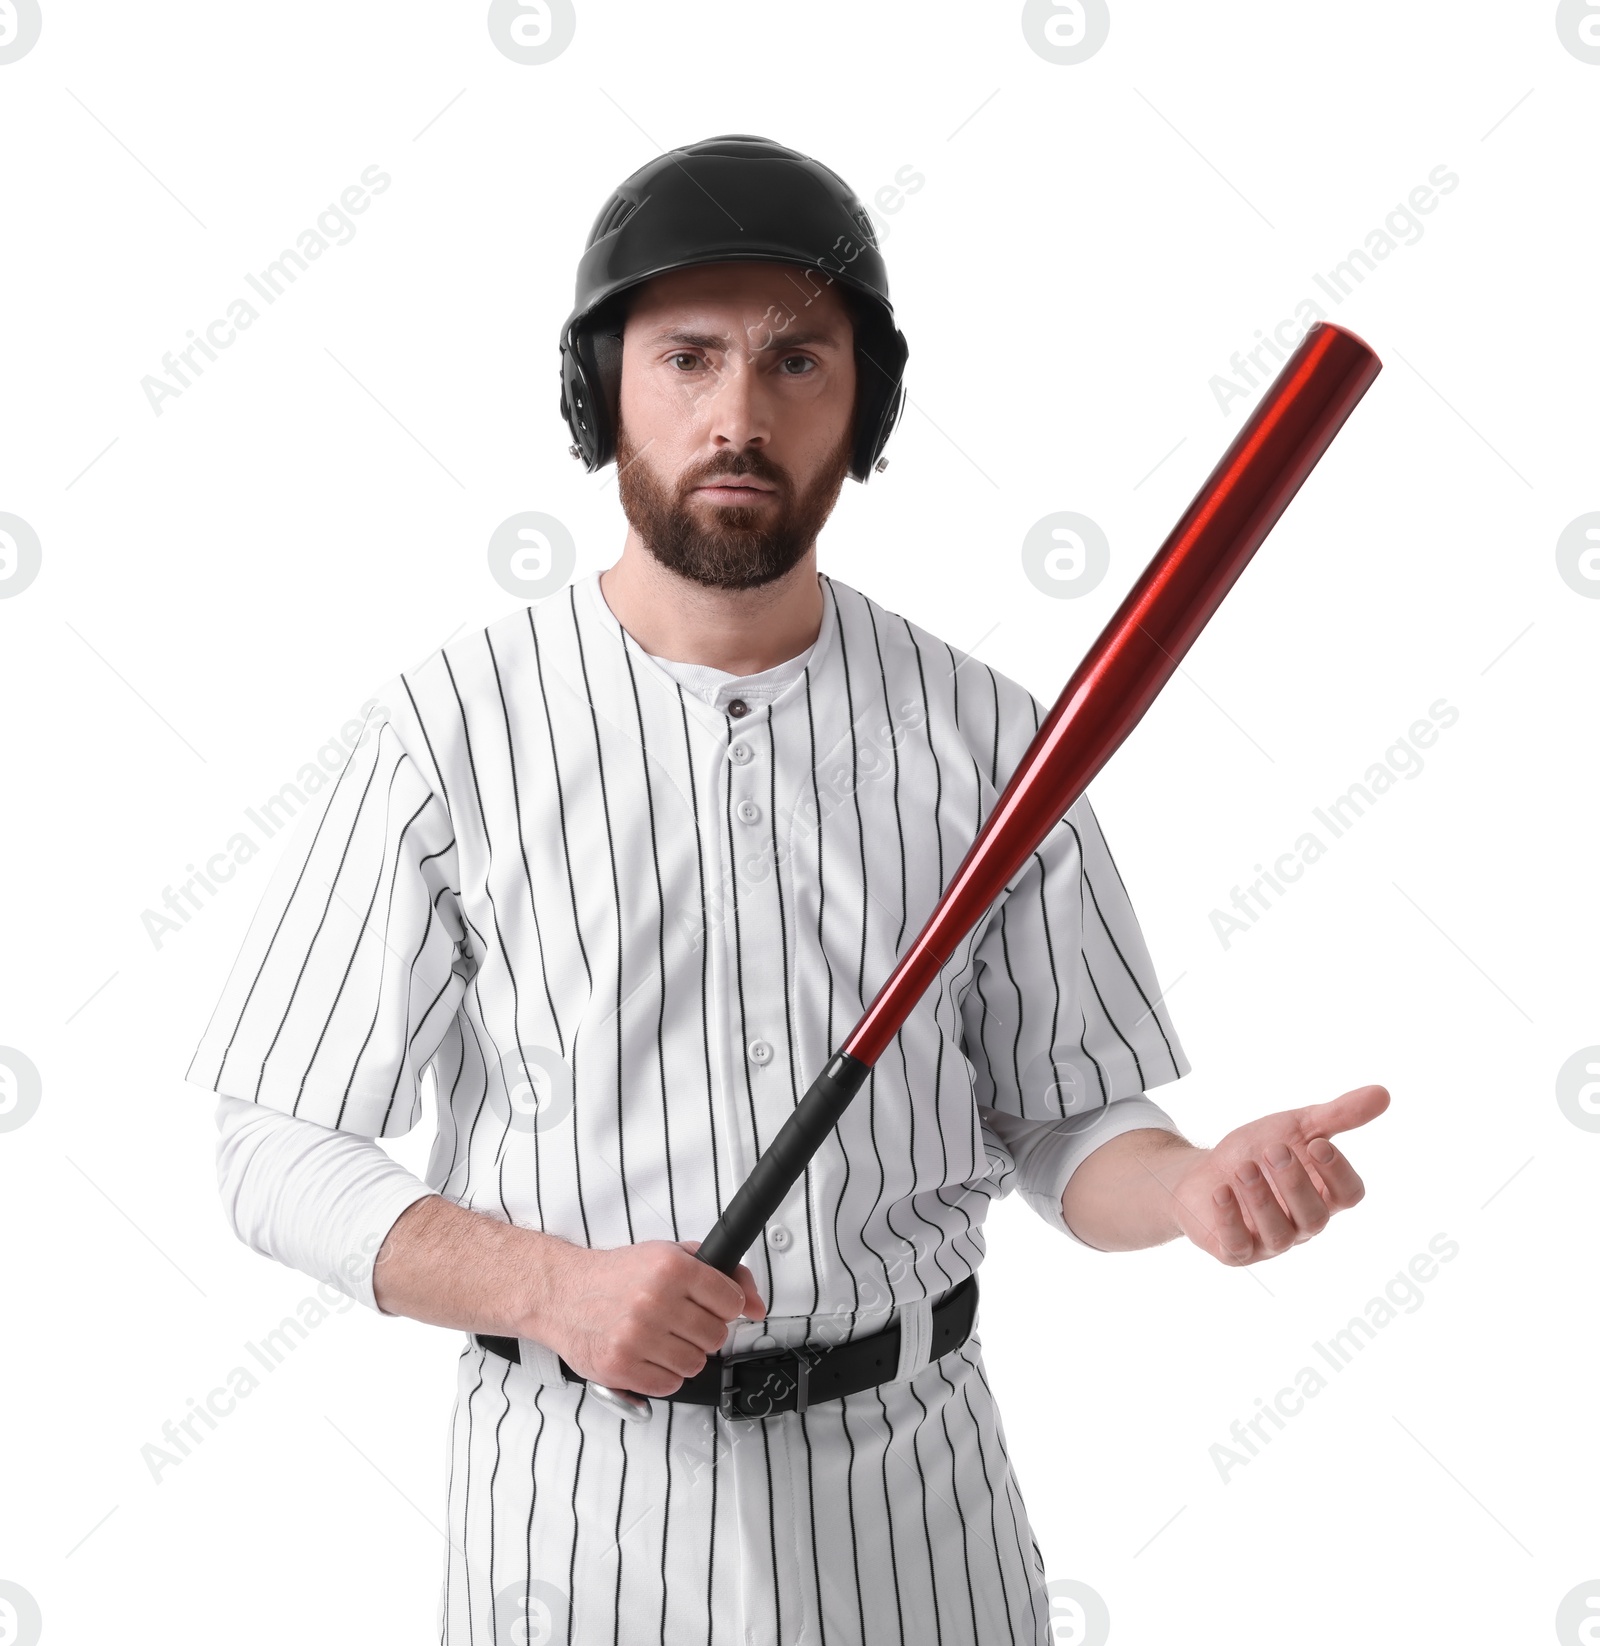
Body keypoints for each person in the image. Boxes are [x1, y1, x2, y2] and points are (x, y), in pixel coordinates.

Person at [187, 134, 1387, 1645]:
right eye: (686, 357)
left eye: (796, 361)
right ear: (598, 391)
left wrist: (1192, 1183)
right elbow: (273, 1144)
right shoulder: (449, 735)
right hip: (576, 1508)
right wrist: (550, 1283)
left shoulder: (989, 738)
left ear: (863, 407)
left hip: (914, 1507)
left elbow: (1073, 1121)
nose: (738, 414)